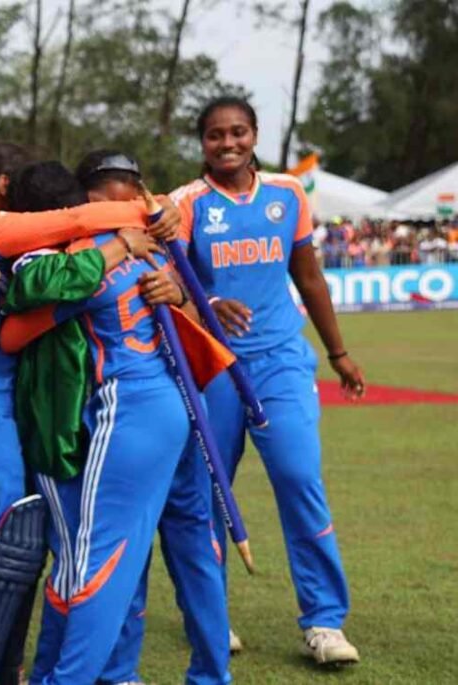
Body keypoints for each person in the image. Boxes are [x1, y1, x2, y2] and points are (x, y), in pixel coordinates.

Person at [0, 143, 173, 680]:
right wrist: (147, 215)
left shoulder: (5, 241)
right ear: (6, 187)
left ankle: (6, 670)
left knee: (24, 548)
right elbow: (76, 223)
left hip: (4, 404)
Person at [0, 161, 212, 685]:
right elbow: (29, 303)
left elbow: (196, 323)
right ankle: (76, 673)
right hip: (89, 418)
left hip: (121, 412)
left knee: (100, 557)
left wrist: (162, 261)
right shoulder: (90, 246)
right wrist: (131, 233)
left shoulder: (117, 247)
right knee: (93, 556)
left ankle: (81, 676)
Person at [170, 95, 364, 665]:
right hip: (214, 366)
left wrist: (338, 353)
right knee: (211, 492)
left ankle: (325, 622)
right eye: (215, 135)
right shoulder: (186, 202)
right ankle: (210, 616)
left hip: (281, 361)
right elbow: (167, 283)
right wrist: (209, 303)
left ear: (255, 135)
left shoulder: (287, 193)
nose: (227, 143)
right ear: (202, 142)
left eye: (238, 132)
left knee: (300, 480)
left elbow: (309, 276)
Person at [66, 151, 232, 685]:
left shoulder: (130, 243)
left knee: (123, 551)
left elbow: (196, 310)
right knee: (180, 547)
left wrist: (178, 293)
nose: (133, 202)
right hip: (177, 406)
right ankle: (163, 674)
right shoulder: (128, 237)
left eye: (134, 191)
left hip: (141, 408)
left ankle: (113, 675)